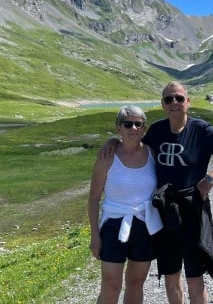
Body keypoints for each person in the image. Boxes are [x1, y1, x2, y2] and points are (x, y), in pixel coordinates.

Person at [99, 81, 213, 304]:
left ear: (188, 101)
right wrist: (112, 140)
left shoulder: (201, 130)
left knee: (195, 278)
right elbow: (132, 139)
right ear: (163, 105)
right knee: (171, 275)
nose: (174, 103)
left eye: (178, 98)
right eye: (168, 99)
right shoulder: (156, 130)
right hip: (165, 211)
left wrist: (211, 178)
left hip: (193, 209)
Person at [88, 105, 163, 304]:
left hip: (145, 224)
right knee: (111, 284)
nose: (134, 128)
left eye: (139, 124)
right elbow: (94, 197)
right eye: (128, 124)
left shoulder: (153, 154)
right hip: (113, 225)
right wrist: (95, 236)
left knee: (136, 282)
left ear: (144, 128)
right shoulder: (107, 156)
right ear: (118, 128)